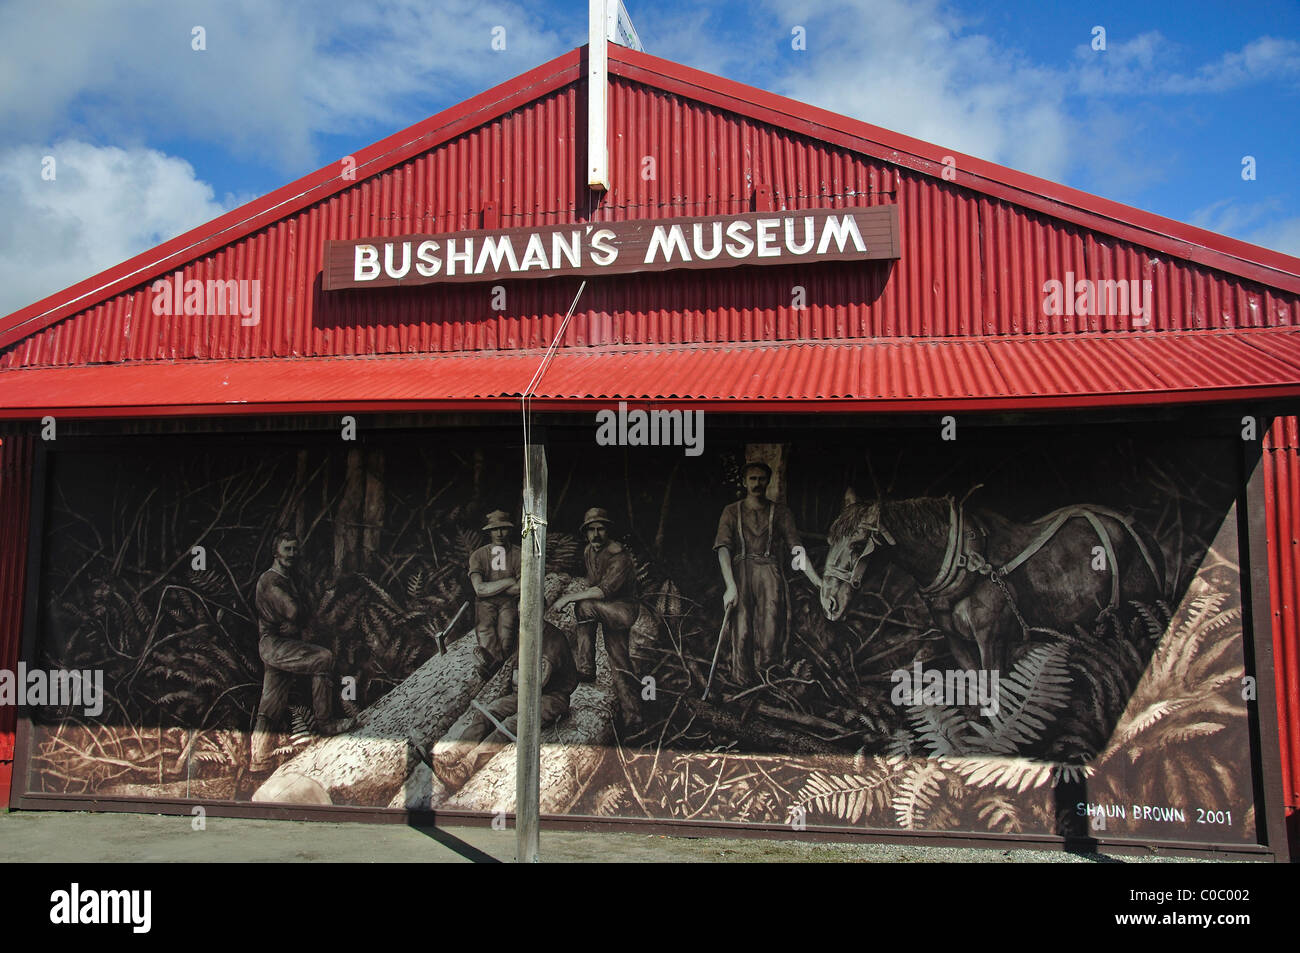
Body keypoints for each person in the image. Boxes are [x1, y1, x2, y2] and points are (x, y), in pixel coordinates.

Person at [429, 620, 578, 791]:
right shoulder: (526, 633)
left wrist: (519, 681)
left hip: (553, 698)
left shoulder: (552, 640)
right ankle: (457, 752)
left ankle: (466, 769)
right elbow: (517, 676)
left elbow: (538, 682)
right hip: (526, 693)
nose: (521, 616)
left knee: (510, 725)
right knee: (488, 712)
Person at [714, 461, 823, 684]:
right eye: (752, 479)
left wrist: (817, 581)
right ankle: (742, 684)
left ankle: (769, 684)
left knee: (771, 629)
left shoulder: (781, 512)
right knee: (742, 629)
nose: (757, 483)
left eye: (762, 479)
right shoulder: (731, 511)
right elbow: (723, 548)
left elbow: (796, 548)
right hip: (741, 574)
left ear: (769, 480)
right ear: (744, 482)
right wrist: (730, 586)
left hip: (770, 574)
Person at [249, 532, 348, 773]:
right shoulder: (270, 581)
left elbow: (296, 615)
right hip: (275, 644)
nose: (292, 554)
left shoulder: (286, 578)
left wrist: (296, 620)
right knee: (323, 658)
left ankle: (258, 760)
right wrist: (297, 617)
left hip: (281, 645)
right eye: (287, 549)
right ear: (276, 552)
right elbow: (294, 611)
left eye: (295, 549)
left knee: (271, 702)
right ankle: (325, 724)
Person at [551, 507, 644, 731]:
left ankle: (587, 667)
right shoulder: (588, 552)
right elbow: (592, 584)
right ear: (585, 532)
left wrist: (568, 598)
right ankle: (633, 716)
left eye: (600, 528)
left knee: (585, 607)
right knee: (618, 658)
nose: (596, 534)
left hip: (623, 610)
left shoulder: (619, 556)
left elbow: (602, 590)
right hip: (605, 607)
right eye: (591, 529)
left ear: (608, 530)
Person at [467, 510, 522, 680]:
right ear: (489, 532)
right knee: (487, 639)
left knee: (506, 638)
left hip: (509, 603)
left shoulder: (519, 554)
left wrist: (491, 588)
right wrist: (508, 581)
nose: (499, 534)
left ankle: (498, 671)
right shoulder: (478, 555)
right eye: (494, 529)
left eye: (503, 529)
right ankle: (490, 670)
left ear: (509, 530)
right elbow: (479, 589)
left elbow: (521, 588)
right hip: (484, 604)